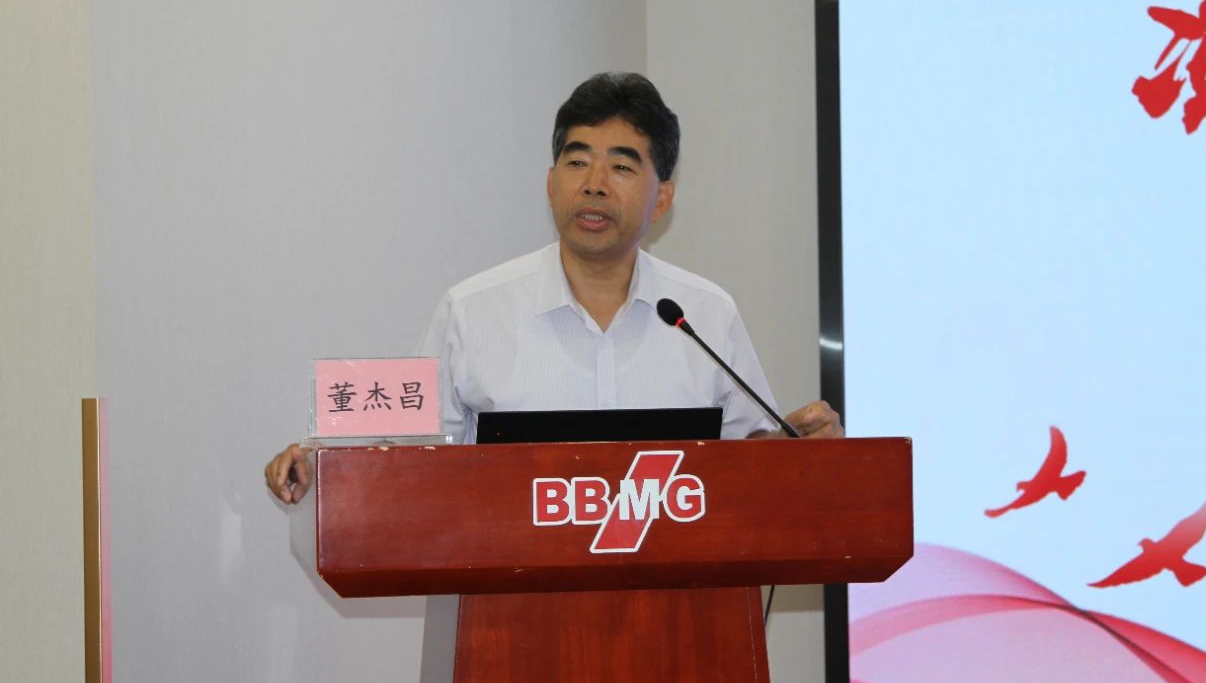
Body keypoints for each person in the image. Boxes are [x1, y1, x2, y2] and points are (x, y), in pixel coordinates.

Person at [265, 72, 840, 504]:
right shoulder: (472, 310)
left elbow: (749, 464)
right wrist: (327, 464)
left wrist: (801, 453)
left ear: (662, 197)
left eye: (621, 167)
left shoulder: (705, 315)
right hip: (509, 613)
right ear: (550, 182)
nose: (593, 185)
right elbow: (407, 452)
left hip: (675, 614)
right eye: (576, 162)